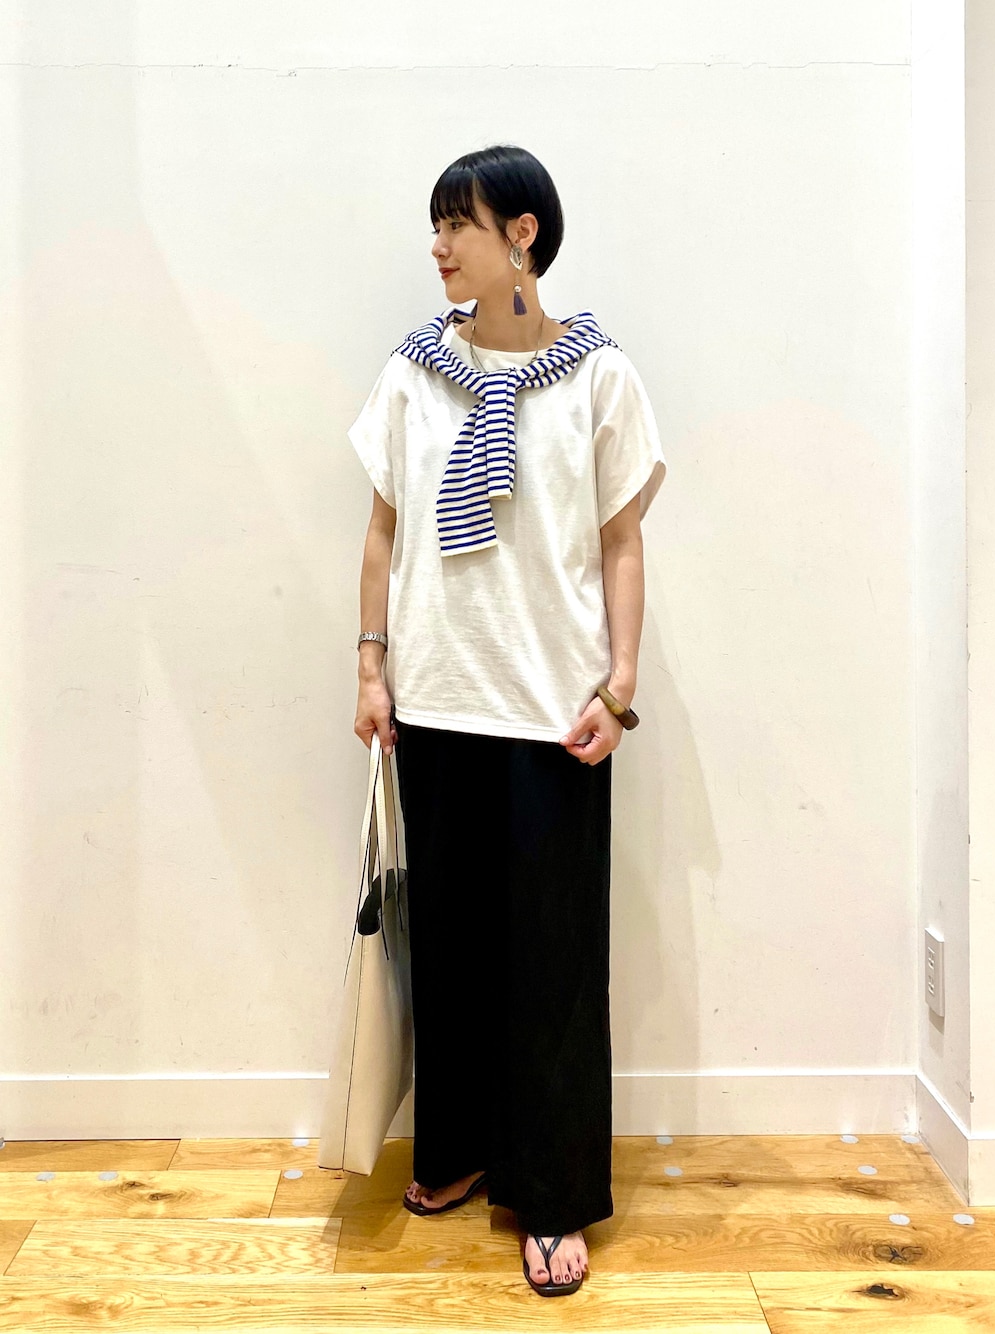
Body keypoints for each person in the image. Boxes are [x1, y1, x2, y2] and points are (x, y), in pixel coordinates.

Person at [349, 144, 665, 1297]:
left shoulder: (598, 377)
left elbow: (621, 540)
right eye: (434, 226)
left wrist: (619, 683)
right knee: (452, 945)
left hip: (551, 709)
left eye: (459, 224)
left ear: (521, 233)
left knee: (554, 960)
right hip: (436, 696)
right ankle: (459, 1146)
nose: (437, 245)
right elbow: (382, 528)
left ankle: (552, 1186)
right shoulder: (413, 373)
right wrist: (371, 662)